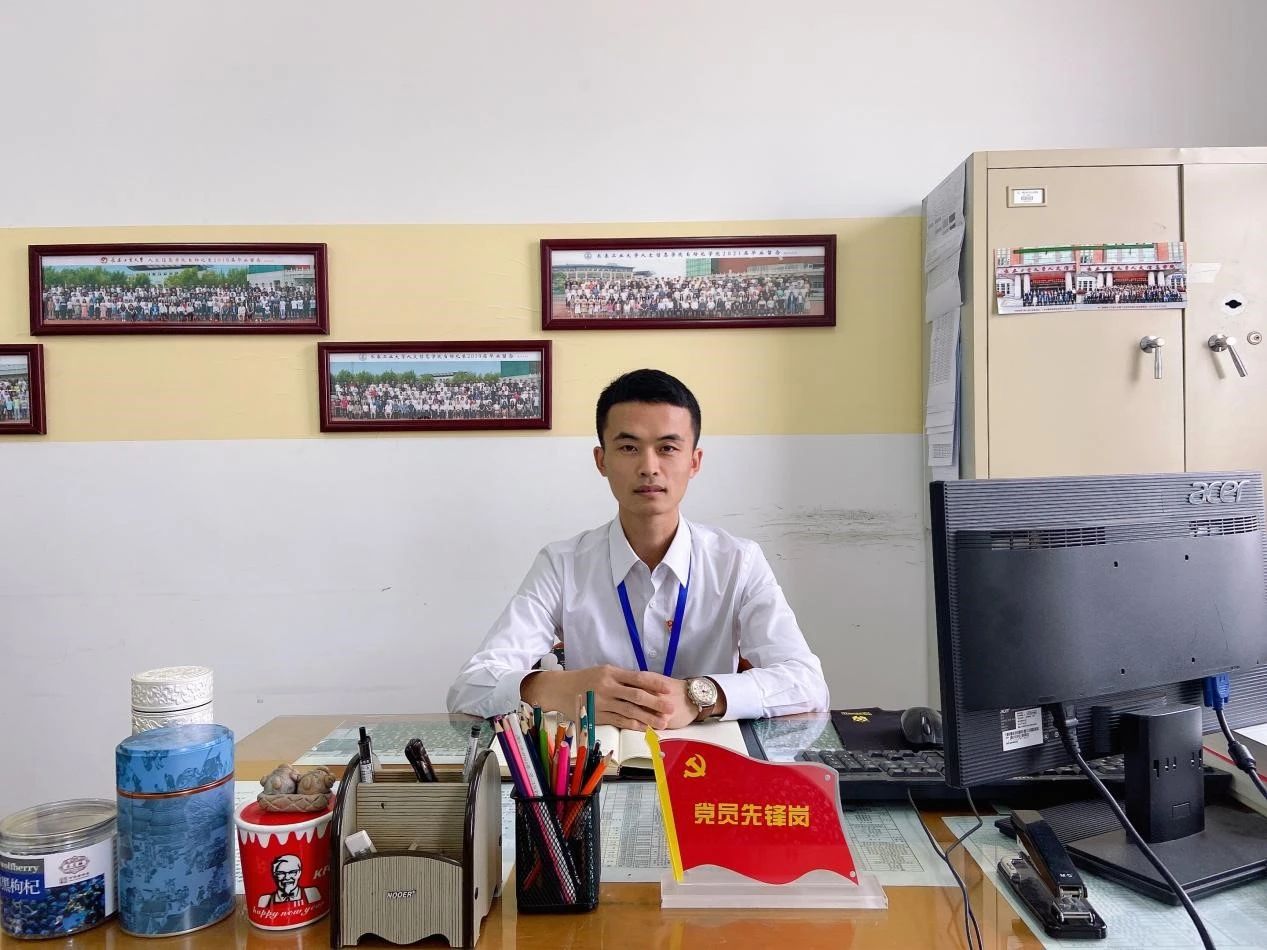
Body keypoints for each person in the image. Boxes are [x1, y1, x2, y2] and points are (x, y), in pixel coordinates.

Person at [447, 368, 829, 729]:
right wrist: (555, 687)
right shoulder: (562, 564)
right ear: (601, 461)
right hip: (601, 764)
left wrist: (702, 695)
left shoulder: (738, 562)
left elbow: (807, 683)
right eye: (629, 447)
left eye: (667, 448)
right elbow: (469, 686)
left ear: (694, 461)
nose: (649, 467)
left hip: (707, 761)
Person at [256, 854, 322, 907]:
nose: (287, 877)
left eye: (292, 872)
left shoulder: (311, 892)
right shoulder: (265, 900)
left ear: (299, 873)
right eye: (281, 873)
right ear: (274, 875)